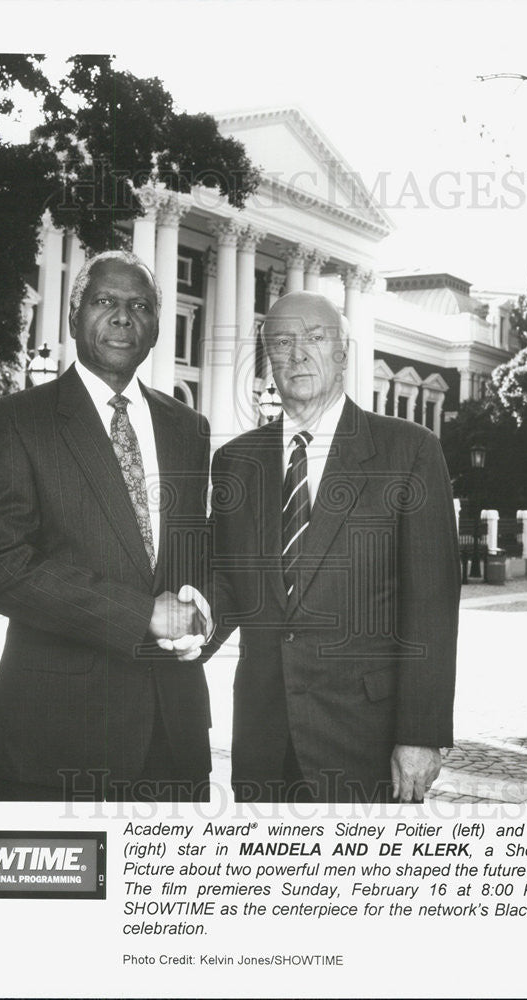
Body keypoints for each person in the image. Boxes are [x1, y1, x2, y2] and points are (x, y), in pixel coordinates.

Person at [0, 250, 212, 802]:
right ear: (75, 315)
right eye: (105, 301)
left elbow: (198, 551)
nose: (122, 317)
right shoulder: (17, 421)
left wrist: (204, 610)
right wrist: (140, 613)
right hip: (56, 740)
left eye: (139, 306)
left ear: (154, 327)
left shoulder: (187, 427)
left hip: (174, 741)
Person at [209, 291, 460, 802]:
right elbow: (230, 583)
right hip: (263, 740)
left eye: (315, 338)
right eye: (282, 341)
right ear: (268, 359)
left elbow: (430, 603)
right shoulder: (236, 461)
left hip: (365, 739)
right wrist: (191, 622)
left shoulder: (408, 451)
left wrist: (420, 732)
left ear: (343, 352)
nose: (298, 352)